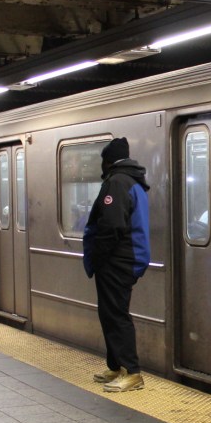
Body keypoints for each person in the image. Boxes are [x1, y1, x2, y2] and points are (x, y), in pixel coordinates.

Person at [82, 137, 151, 392]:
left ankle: (133, 373)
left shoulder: (118, 182)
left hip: (118, 259)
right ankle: (116, 367)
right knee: (109, 312)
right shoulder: (129, 180)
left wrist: (98, 256)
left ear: (108, 160)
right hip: (123, 257)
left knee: (117, 314)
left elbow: (112, 226)